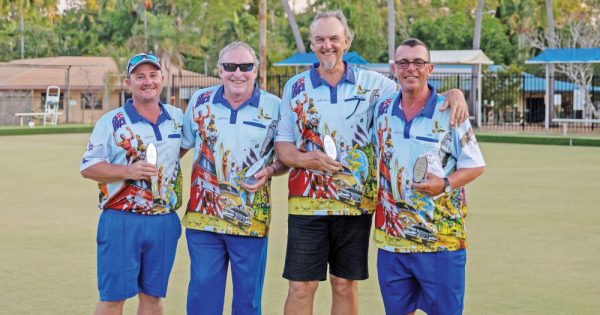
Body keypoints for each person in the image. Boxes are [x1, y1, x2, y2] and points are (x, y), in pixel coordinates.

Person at [274, 10, 470, 315]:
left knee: (344, 285)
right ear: (312, 44)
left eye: (334, 38)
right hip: (306, 205)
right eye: (320, 39)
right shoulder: (294, 87)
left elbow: (416, 90)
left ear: (347, 41)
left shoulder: (377, 86)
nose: (327, 46)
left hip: (357, 206)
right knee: (300, 287)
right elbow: (283, 148)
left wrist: (455, 93)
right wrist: (306, 159)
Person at [373, 38, 485, 315]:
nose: (411, 68)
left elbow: (475, 165)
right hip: (392, 240)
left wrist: (445, 184)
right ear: (394, 68)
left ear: (430, 68)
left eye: (418, 62)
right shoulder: (381, 109)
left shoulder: (450, 111)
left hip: (440, 242)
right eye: (404, 62)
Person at [180, 41, 286, 315]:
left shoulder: (274, 107)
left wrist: (272, 170)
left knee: (247, 302)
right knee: (203, 296)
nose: (238, 73)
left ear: (257, 70)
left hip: (251, 220)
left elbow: (286, 157)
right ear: (219, 70)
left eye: (245, 67)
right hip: (204, 218)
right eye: (230, 67)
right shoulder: (200, 102)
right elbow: (178, 148)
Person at [80, 53, 184, 315]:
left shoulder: (178, 118)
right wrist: (128, 170)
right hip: (122, 219)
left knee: (152, 298)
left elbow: (177, 150)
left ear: (162, 79)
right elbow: (89, 167)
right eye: (140, 77)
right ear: (128, 83)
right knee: (113, 298)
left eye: (152, 75)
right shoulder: (111, 122)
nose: (147, 82)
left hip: (163, 220)